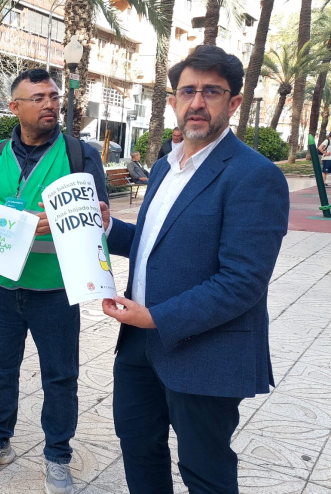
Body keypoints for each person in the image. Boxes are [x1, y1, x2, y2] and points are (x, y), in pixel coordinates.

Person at [100, 45, 289, 494]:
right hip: (138, 347)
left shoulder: (254, 175)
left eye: (212, 91)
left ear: (234, 103)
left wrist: (156, 317)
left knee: (205, 471)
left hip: (206, 352)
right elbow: (153, 244)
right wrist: (109, 228)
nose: (197, 102)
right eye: (188, 91)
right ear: (173, 100)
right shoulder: (166, 167)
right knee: (139, 448)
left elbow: (242, 281)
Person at [0, 68, 109, 494]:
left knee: (60, 376)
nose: (50, 104)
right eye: (39, 97)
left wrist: (76, 223)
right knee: (0, 369)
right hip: (2, 287)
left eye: (54, 96)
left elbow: (96, 221)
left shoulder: (80, 155)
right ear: (15, 108)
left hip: (56, 291)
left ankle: (57, 456)